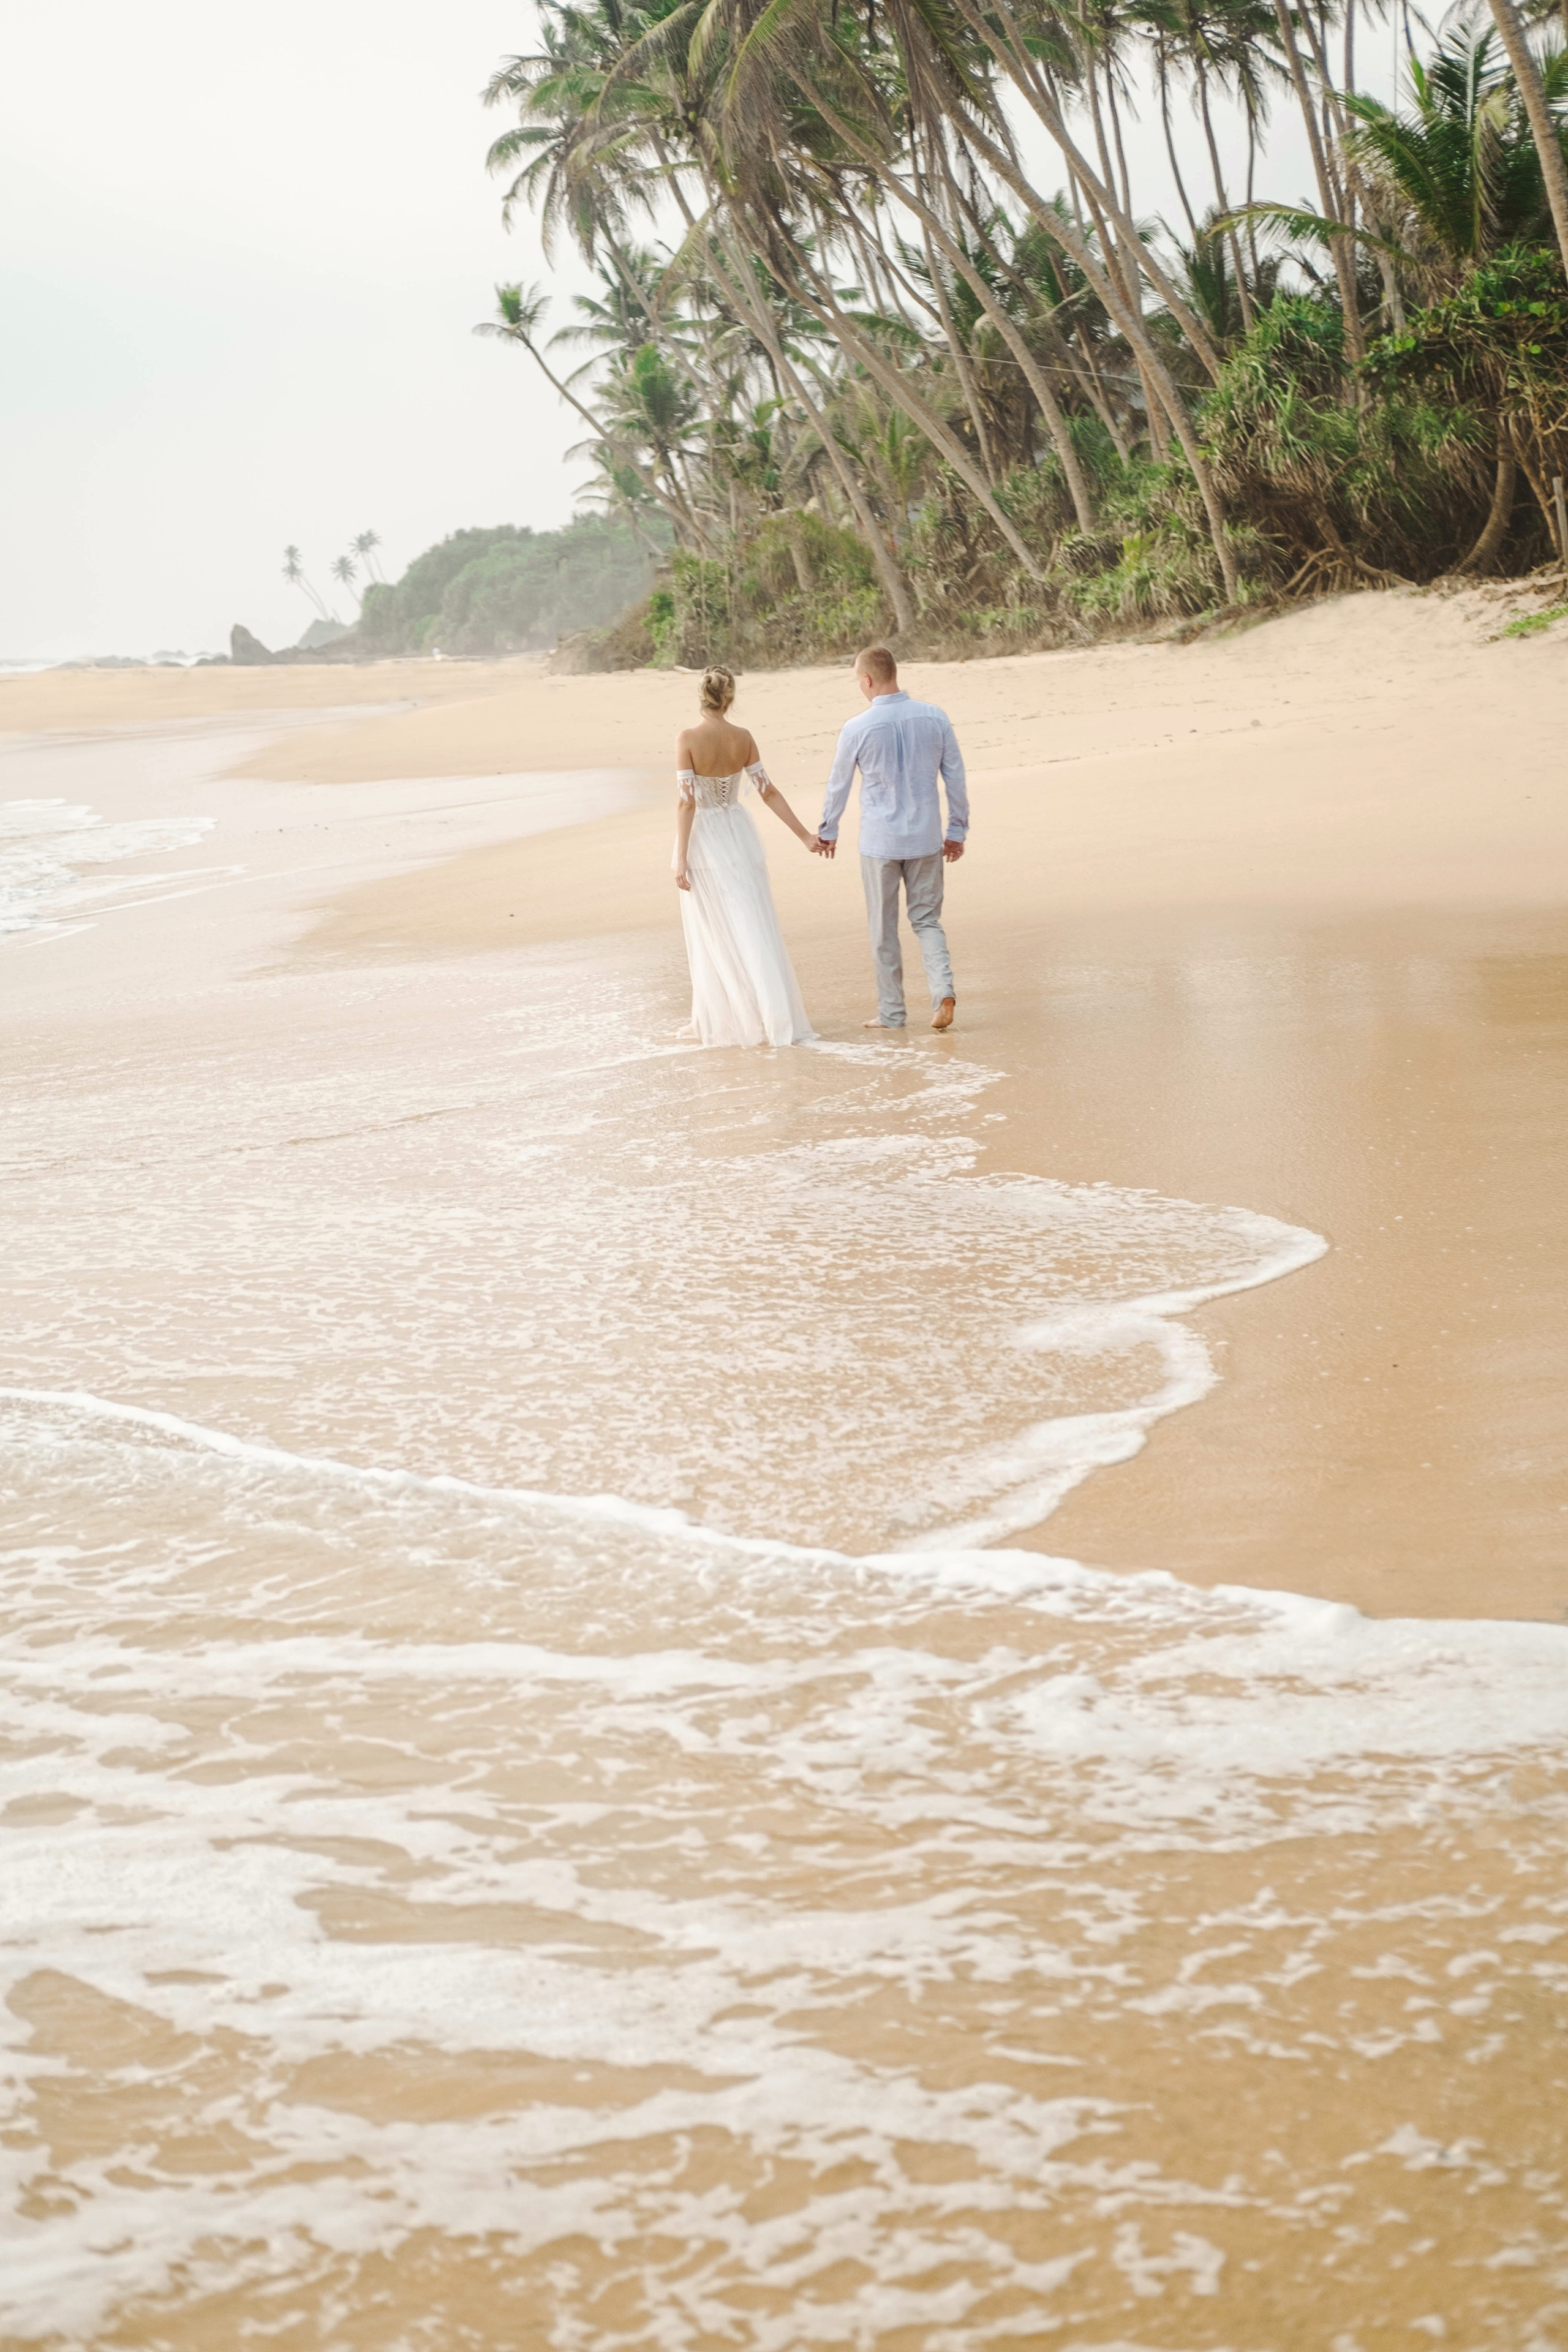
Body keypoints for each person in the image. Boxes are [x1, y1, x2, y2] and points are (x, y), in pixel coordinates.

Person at [816, 647, 967, 1031]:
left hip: (880, 843)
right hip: (926, 838)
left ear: (867, 679)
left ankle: (893, 1014)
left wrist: (828, 831)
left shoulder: (856, 728)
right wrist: (957, 831)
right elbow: (955, 777)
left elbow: (838, 785)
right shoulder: (934, 717)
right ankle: (943, 991)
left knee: (883, 930)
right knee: (927, 921)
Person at [673, 664, 824, 1048]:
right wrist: (804, 836)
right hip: (740, 835)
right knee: (751, 921)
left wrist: (681, 857)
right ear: (730, 698)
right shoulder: (743, 738)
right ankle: (766, 1014)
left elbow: (687, 804)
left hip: (706, 839)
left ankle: (722, 1017)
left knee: (712, 927)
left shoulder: (688, 738)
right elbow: (767, 791)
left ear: (701, 696)